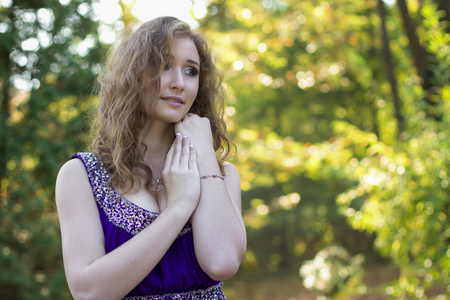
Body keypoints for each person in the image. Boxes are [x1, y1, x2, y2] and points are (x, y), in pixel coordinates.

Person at [55, 16, 246, 300]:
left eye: (191, 71)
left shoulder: (222, 173)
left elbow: (223, 262)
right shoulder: (81, 174)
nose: (179, 83)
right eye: (164, 66)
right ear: (133, 75)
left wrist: (204, 151)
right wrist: (179, 208)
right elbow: (88, 292)